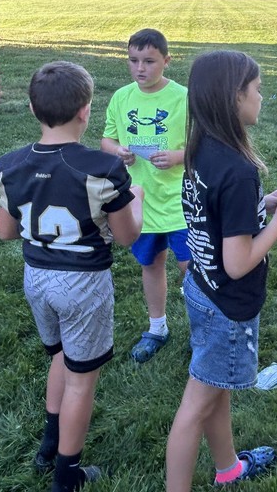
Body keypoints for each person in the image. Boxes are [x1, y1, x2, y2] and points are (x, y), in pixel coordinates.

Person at [165, 50, 277, 491]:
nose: (262, 96)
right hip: (226, 306)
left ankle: (228, 467)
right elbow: (238, 262)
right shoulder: (237, 169)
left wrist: (262, 205)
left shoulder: (203, 148)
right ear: (235, 98)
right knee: (195, 405)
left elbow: (216, 217)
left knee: (215, 389)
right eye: (257, 89)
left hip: (201, 287)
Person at [0, 61, 144, 492]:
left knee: (59, 355)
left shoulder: (11, 164)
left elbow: (6, 231)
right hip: (82, 283)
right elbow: (127, 237)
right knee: (81, 380)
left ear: (31, 108)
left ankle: (48, 444)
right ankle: (67, 474)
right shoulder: (103, 168)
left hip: (36, 276)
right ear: (85, 111)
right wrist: (138, 203)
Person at [101, 29, 188, 363]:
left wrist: (178, 157)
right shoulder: (122, 98)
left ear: (166, 61)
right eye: (133, 60)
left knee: (190, 267)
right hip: (140, 200)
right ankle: (157, 328)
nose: (141, 68)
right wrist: (118, 151)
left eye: (149, 61)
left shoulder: (184, 98)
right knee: (151, 263)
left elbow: (203, 143)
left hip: (180, 201)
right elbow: (106, 140)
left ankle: (203, 330)